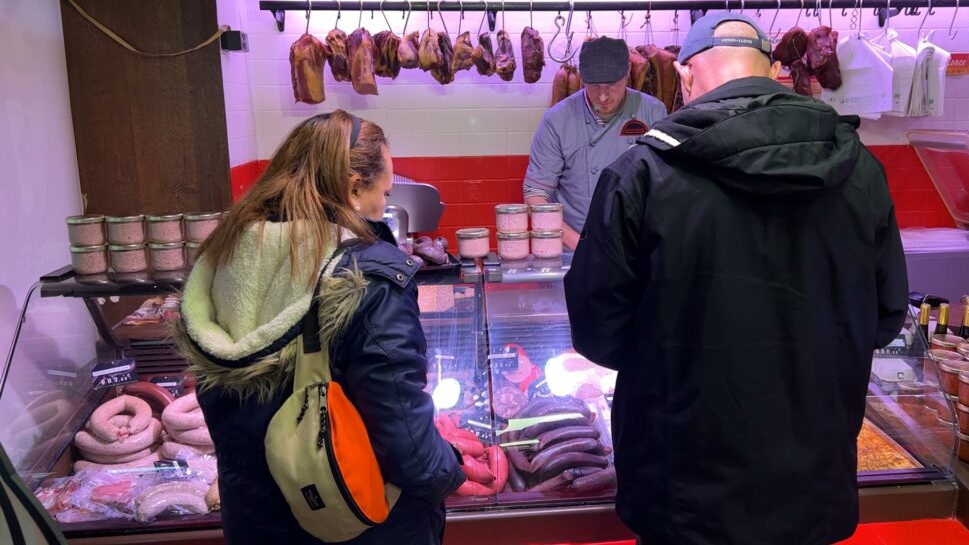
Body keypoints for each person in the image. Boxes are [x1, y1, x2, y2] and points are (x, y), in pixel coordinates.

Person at [564, 13, 908, 545]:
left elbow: (596, 330)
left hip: (682, 492)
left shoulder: (640, 175)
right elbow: (885, 318)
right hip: (810, 487)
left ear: (684, 75)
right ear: (773, 71)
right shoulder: (860, 170)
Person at [175, 110, 465, 544]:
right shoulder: (369, 277)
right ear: (352, 188)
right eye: (383, 194)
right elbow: (408, 449)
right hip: (354, 524)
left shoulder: (228, 258)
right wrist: (451, 470)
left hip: (254, 523)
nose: (382, 208)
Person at [524, 36, 667, 250]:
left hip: (637, 248)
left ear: (628, 72)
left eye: (611, 85)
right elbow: (535, 195)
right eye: (594, 85)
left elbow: (664, 185)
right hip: (575, 252)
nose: (602, 96)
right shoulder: (557, 120)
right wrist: (582, 246)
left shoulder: (652, 112)